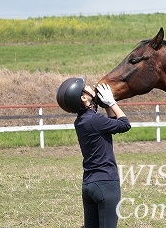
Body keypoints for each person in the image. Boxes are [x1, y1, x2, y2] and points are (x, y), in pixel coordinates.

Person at [56, 76, 131, 228]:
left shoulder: (82, 121)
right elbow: (124, 124)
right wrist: (112, 103)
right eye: (87, 86)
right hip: (106, 183)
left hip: (89, 185)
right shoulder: (95, 121)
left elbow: (111, 125)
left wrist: (106, 106)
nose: (91, 87)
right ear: (84, 97)